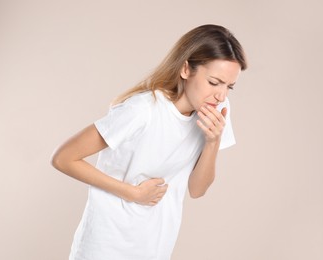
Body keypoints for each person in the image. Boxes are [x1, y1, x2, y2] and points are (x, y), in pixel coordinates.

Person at [51, 24, 247, 260]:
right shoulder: (144, 109)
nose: (221, 95)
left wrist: (213, 142)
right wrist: (132, 193)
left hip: (155, 246)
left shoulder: (217, 109)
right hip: (106, 245)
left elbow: (197, 190)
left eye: (229, 86)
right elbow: (63, 158)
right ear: (186, 69)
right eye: (214, 82)